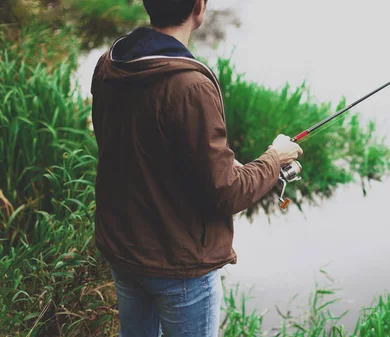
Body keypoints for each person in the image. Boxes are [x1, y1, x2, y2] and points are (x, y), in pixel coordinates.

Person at [89, 0, 304, 336]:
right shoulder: (191, 86)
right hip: (179, 266)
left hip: (123, 250)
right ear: (199, 6)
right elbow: (226, 191)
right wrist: (274, 159)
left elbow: (136, 153)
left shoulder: (110, 64)